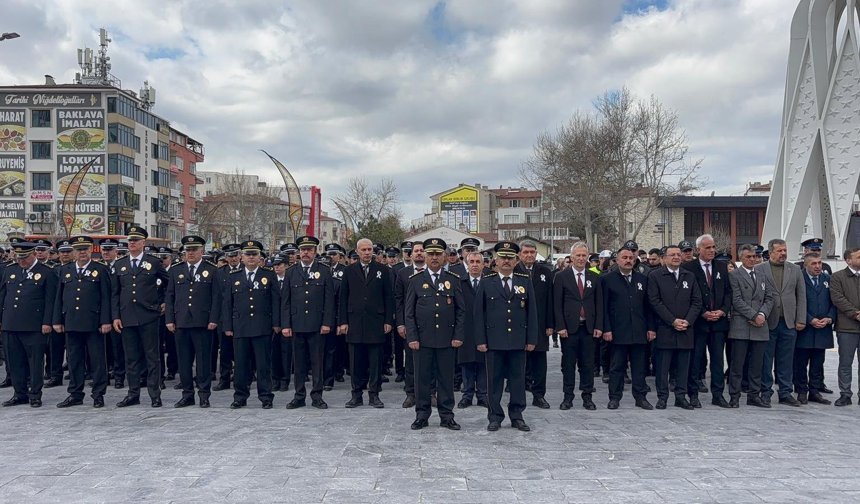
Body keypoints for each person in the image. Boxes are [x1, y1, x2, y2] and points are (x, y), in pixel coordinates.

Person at [475, 241, 538, 432]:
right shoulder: (487, 282)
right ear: (496, 259)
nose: (506, 261)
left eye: (510, 258)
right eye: (503, 257)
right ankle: (494, 416)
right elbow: (479, 314)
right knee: (494, 381)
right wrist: (481, 340)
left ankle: (517, 415)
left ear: (516, 260)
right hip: (494, 341)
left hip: (518, 340)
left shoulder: (524, 281)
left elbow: (531, 312)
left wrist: (531, 339)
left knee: (517, 381)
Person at [404, 238, 464, 430]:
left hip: (447, 339)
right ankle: (422, 415)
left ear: (445, 257)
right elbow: (409, 312)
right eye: (431, 254)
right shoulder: (416, 281)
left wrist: (458, 335)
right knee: (422, 379)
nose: (434, 257)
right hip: (422, 340)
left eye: (438, 254)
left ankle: (447, 415)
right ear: (426, 257)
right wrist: (412, 337)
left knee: (446, 379)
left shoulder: (452, 280)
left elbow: (461, 311)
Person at [111, 227, 169, 408]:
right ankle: (133, 393)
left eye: (136, 240)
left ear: (143, 243)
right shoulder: (120, 264)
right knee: (131, 358)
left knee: (152, 357)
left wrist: (163, 302)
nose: (132, 243)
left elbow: (169, 283)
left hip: (148, 315)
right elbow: (115, 293)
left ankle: (154, 394)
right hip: (127, 317)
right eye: (130, 241)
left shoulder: (153, 262)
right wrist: (115, 316)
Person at [52, 236, 111, 409]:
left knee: (97, 360)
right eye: (78, 249)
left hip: (94, 322)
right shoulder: (66, 270)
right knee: (74, 360)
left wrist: (105, 320)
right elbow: (59, 297)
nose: (82, 252)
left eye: (85, 249)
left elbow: (106, 298)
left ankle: (98, 394)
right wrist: (57, 320)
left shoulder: (100, 269)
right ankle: (75, 394)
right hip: (71, 321)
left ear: (91, 250)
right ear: (74, 252)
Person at [165, 235, 221, 409]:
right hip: (181, 322)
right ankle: (187, 394)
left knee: (203, 362)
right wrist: (169, 319)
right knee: (184, 361)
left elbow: (216, 297)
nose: (190, 253)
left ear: (202, 251)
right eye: (187, 250)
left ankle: (204, 395)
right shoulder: (176, 270)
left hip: (203, 322)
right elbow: (170, 296)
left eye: (194, 249)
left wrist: (213, 319)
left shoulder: (212, 270)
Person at [224, 240, 280, 409]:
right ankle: (240, 397)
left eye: (254, 254)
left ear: (259, 257)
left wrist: (276, 323)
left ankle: (266, 397)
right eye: (247, 254)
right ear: (241, 257)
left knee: (263, 365)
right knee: (240, 365)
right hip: (240, 327)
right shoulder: (233, 277)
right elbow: (227, 303)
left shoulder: (268, 275)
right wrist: (227, 326)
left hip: (262, 326)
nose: (251, 257)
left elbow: (275, 301)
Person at [338, 238, 394, 409]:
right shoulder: (349, 270)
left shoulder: (382, 270)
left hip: (376, 322)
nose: (367, 252)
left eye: (370, 249)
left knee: (375, 361)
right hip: (354, 322)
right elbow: (343, 298)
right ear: (357, 251)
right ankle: (356, 395)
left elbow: (388, 296)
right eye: (364, 250)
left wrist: (388, 320)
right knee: (355, 362)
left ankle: (374, 394)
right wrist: (343, 321)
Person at [0, 242, 57, 408]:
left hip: (34, 325)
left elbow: (50, 300)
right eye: (18, 257)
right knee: (15, 361)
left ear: (33, 255)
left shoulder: (46, 272)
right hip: (11, 324)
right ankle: (19, 393)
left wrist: (47, 322)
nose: (21, 261)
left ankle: (35, 394)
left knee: (35, 362)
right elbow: (3, 296)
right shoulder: (10, 270)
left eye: (24, 257)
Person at [281, 236, 335, 410]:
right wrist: (286, 325)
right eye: (303, 249)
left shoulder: (324, 271)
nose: (305, 253)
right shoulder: (291, 272)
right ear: (299, 252)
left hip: (317, 324)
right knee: (299, 363)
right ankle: (299, 395)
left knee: (317, 362)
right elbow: (286, 302)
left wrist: (327, 322)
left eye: (309, 250)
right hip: (296, 325)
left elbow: (329, 300)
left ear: (314, 252)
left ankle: (317, 396)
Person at [647, 244, 702, 410]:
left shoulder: (689, 276)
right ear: (664, 258)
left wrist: (688, 320)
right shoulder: (655, 276)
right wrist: (672, 321)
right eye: (672, 255)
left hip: (686, 329)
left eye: (678, 254)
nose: (677, 257)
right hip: (665, 328)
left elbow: (697, 301)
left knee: (684, 366)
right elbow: (654, 301)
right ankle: (662, 397)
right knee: (663, 367)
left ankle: (681, 396)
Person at [601, 242, 655, 410]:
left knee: (639, 368)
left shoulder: (642, 280)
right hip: (618, 331)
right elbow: (603, 307)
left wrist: (651, 328)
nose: (628, 260)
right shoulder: (607, 280)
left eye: (631, 258)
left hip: (639, 331)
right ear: (617, 260)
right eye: (624, 257)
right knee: (617, 367)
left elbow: (649, 307)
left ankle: (640, 397)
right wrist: (606, 329)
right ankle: (614, 398)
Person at [681, 234, 732, 408]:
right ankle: (693, 394)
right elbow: (686, 296)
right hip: (698, 323)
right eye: (707, 247)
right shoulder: (688, 268)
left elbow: (728, 292)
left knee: (718, 360)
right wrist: (702, 313)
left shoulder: (721, 266)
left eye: (713, 247)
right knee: (696, 360)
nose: (712, 250)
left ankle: (718, 394)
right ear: (698, 250)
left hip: (718, 323)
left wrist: (723, 311)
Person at [755, 239, 806, 407]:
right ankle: (766, 392)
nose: (783, 253)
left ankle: (785, 392)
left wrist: (800, 319)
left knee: (786, 360)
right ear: (770, 253)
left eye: (785, 250)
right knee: (766, 360)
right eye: (779, 251)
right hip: (767, 322)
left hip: (789, 322)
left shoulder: (795, 269)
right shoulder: (759, 269)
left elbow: (801, 296)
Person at [554, 242, 602, 411]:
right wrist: (560, 326)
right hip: (569, 329)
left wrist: (599, 326)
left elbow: (599, 304)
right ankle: (568, 397)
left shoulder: (594, 277)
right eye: (578, 255)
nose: (581, 259)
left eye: (584, 255)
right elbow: (557, 304)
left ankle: (587, 397)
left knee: (588, 364)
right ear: (572, 257)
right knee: (568, 365)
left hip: (588, 328)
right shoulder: (561, 277)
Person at [728, 244, 775, 408]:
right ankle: (734, 395)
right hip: (741, 324)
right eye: (749, 257)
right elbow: (736, 300)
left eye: (755, 256)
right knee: (737, 364)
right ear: (741, 258)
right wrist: (753, 315)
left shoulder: (763, 275)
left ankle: (754, 395)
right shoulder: (734, 275)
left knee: (757, 364)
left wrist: (762, 315)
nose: (753, 260)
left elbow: (770, 298)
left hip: (760, 326)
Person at [515, 239, 554, 409]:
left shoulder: (545, 271)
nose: (530, 255)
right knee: (519, 361)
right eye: (526, 252)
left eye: (532, 252)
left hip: (539, 325)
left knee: (539, 363)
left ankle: (539, 396)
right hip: (517, 325)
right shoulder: (513, 271)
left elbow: (550, 299)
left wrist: (550, 324)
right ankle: (518, 395)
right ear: (519, 254)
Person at [793, 252, 834, 405]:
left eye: (819, 263)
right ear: (805, 265)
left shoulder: (827, 279)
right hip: (805, 329)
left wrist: (830, 317)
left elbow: (833, 301)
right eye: (814, 264)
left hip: (823, 329)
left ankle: (815, 391)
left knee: (818, 362)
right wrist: (809, 319)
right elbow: (795, 302)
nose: (818, 266)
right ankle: (802, 390)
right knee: (801, 362)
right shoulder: (799, 279)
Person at [395, 241, 426, 408]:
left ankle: (431, 392)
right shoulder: (403, 273)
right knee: (411, 360)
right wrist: (400, 323)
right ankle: (411, 393)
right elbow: (398, 300)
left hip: (430, 324)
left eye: (422, 251)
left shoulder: (434, 272)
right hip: (410, 324)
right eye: (416, 251)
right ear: (411, 254)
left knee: (431, 361)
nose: (419, 253)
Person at [829, 247, 860, 406]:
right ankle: (845, 394)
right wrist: (855, 314)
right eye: (859, 257)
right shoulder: (837, 277)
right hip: (847, 327)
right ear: (848, 260)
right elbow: (837, 298)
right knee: (845, 363)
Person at [457, 251, 488, 409]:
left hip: (485, 329)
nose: (475, 265)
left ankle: (482, 395)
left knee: (483, 363)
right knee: (467, 363)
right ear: (467, 265)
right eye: (472, 262)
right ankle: (467, 395)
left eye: (478, 262)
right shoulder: (459, 283)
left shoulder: (489, 282)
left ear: (483, 264)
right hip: (466, 329)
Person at [213, 243, 242, 391]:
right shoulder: (219, 272)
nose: (233, 258)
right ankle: (224, 379)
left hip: (242, 317)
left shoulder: (245, 270)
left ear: (240, 256)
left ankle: (243, 379)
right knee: (224, 351)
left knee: (242, 352)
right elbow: (216, 297)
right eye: (230, 256)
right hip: (224, 317)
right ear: (226, 257)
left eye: (236, 255)